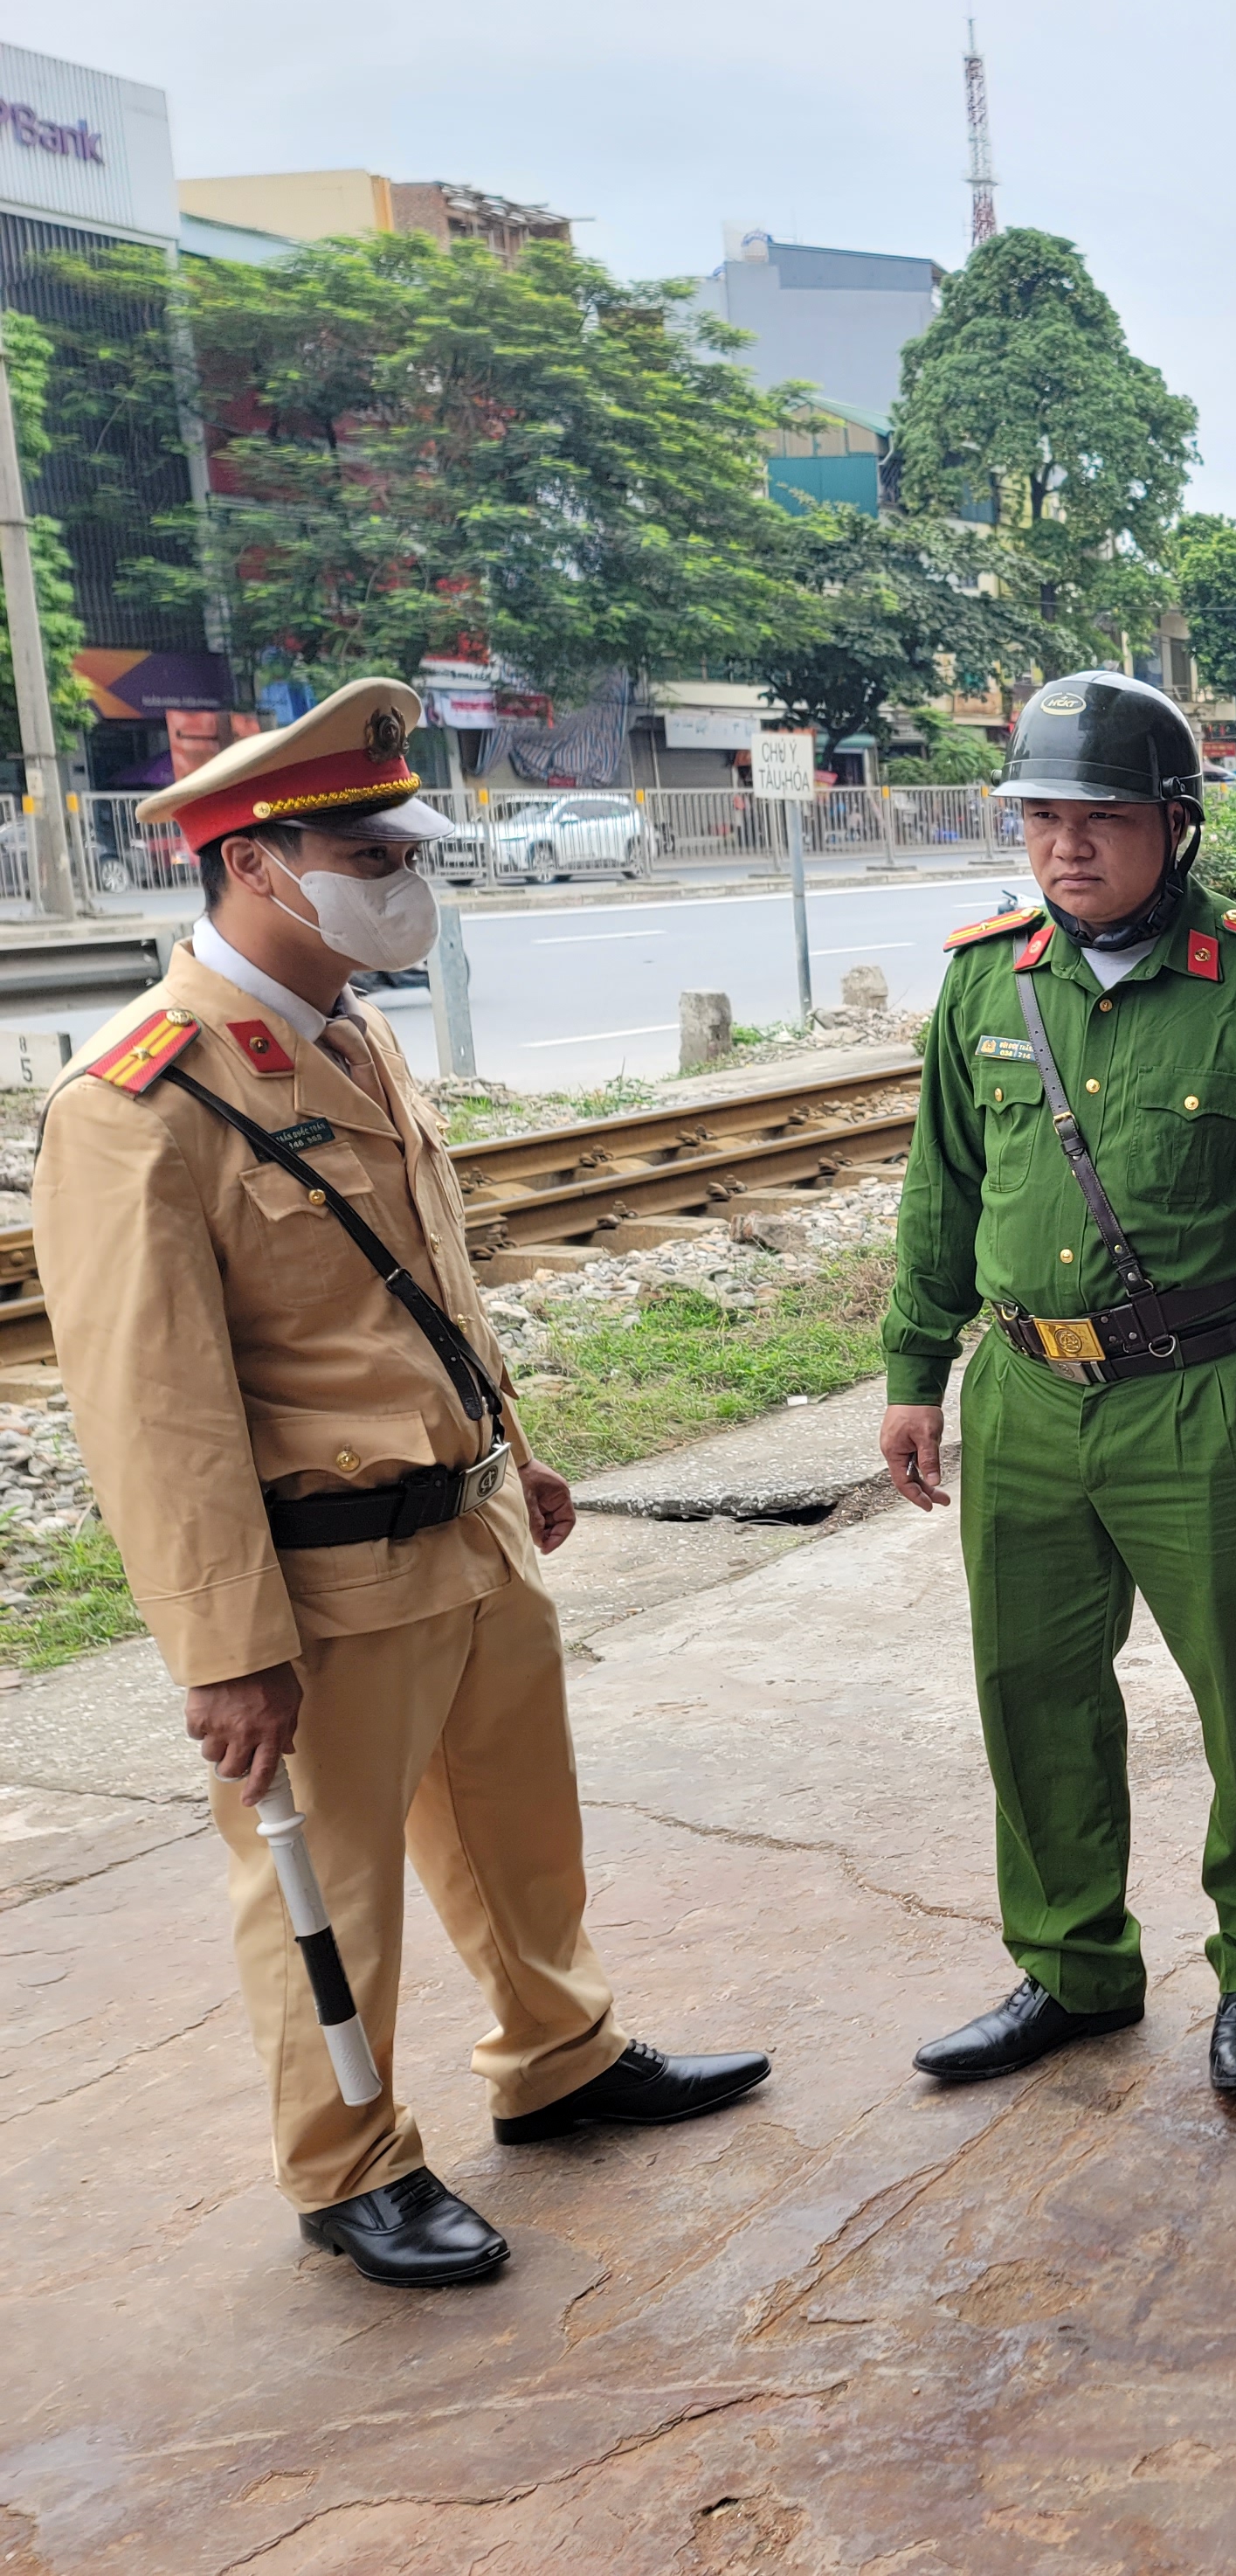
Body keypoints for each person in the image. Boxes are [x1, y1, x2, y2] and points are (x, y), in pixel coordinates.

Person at [32, 678, 770, 2290]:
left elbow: (417, 1284)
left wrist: (512, 1441)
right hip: (322, 1581)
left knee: (521, 1827)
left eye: (398, 843)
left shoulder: (348, 1035)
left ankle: (559, 2057)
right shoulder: (141, 1107)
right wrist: (224, 1646)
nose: (400, 874)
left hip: (469, 1523)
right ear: (256, 866)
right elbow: (155, 1413)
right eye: (366, 848)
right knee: (327, 1887)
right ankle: (348, 2162)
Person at [879, 670, 1236, 2102]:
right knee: (1031, 1690)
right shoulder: (988, 979)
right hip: (1025, 1399)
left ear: (1174, 824)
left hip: (1200, 1394)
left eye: (1099, 817)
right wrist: (913, 1373)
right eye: (1042, 817)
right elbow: (942, 1193)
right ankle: (1072, 1967)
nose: (1065, 847)